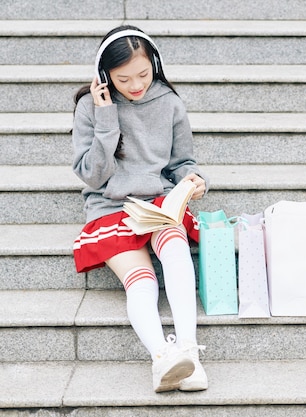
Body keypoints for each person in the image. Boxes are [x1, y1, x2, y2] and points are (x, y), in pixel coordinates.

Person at [71, 25, 208, 393]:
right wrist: (105, 118)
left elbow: (182, 161)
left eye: (143, 75)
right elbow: (91, 175)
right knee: (142, 282)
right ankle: (163, 359)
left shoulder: (169, 102)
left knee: (178, 254)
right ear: (105, 76)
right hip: (110, 205)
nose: (136, 86)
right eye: (123, 78)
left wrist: (193, 179)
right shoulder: (91, 107)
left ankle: (190, 354)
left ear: (155, 65)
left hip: (159, 201)